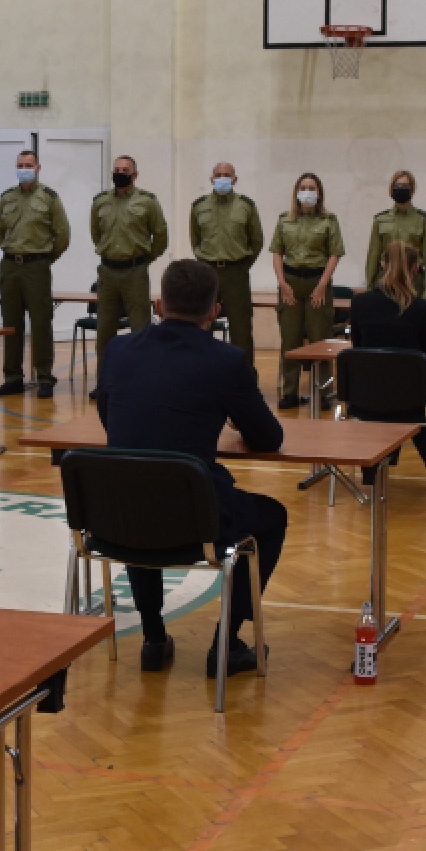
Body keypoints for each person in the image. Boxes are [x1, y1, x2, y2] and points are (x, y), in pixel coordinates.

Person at [96, 259, 286, 676]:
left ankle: (153, 636)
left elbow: (110, 420)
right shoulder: (227, 361)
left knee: (138, 483)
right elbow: (269, 439)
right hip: (196, 520)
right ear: (214, 310)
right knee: (271, 517)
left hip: (116, 518)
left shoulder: (119, 349)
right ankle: (227, 643)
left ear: (159, 304)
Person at [350, 242, 426, 494]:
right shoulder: (421, 308)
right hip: (411, 401)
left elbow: (358, 349)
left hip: (365, 398)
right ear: (416, 270)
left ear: (382, 265)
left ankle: (373, 466)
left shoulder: (360, 304)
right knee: (412, 404)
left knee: (392, 396)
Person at [89, 154, 168, 397]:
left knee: (140, 331)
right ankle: (104, 384)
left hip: (135, 272)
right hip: (108, 271)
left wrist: (144, 260)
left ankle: (140, 384)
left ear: (135, 175)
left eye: (126, 169)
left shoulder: (148, 202)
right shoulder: (100, 202)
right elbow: (96, 234)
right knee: (105, 331)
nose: (120, 172)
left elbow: (161, 237)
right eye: (117, 169)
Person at [0, 149, 70, 399]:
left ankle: (45, 377)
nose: (24, 168)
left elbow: (62, 234)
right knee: (11, 324)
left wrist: (44, 258)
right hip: (10, 267)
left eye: (28, 164)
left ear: (38, 168)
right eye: (20, 164)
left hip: (37, 266)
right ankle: (13, 377)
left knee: (40, 323)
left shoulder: (49, 198)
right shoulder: (6, 198)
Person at [270, 172, 343, 410]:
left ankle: (324, 393)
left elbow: (335, 254)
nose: (307, 191)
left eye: (312, 187)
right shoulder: (284, 220)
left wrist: (322, 285)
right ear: (296, 192)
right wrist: (282, 283)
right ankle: (290, 392)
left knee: (319, 339)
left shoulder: (329, 220)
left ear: (319, 192)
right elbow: (277, 253)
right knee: (290, 340)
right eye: (303, 187)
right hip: (290, 282)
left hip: (317, 282)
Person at [190, 161, 263, 374]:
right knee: (202, 327)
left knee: (241, 330)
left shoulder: (246, 206)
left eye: (227, 175)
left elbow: (256, 241)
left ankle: (244, 378)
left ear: (235, 179)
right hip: (207, 273)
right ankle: (203, 375)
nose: (223, 178)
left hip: (236, 272)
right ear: (211, 179)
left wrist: (241, 266)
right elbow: (195, 240)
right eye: (219, 174)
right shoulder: (199, 206)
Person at [364, 170, 426, 300]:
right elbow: (372, 257)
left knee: (411, 319)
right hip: (385, 280)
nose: (401, 189)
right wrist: (370, 289)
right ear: (391, 190)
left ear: (413, 190)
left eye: (405, 186)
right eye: (397, 186)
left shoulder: (423, 220)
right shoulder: (380, 220)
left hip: (413, 280)